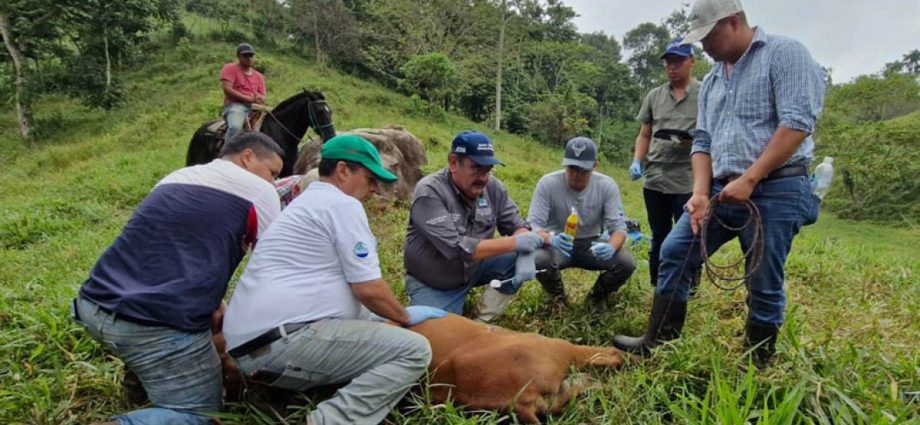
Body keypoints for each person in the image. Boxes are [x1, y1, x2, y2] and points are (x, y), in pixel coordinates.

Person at [613, 0, 824, 365]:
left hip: (776, 187)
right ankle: (659, 340)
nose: (704, 47)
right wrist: (698, 193)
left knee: (762, 274)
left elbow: (797, 123)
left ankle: (757, 360)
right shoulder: (713, 80)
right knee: (676, 251)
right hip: (719, 188)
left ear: (732, 23)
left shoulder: (784, 53)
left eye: (708, 37)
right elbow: (703, 142)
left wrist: (751, 177)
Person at [222, 134, 445, 425]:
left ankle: (275, 395)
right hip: (282, 343)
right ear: (342, 171)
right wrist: (402, 316)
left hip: (251, 345)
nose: (374, 188)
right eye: (369, 178)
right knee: (414, 351)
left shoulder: (305, 205)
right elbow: (368, 288)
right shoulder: (342, 205)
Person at [72, 132, 284, 425]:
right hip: (153, 325)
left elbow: (171, 246)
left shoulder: (177, 177)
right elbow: (275, 267)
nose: (273, 182)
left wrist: (213, 298)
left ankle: (140, 381)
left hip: (93, 305)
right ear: (247, 157)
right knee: (201, 415)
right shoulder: (261, 191)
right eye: (273, 172)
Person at [404, 131, 546, 323]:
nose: (483, 178)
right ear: (453, 163)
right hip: (435, 282)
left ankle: (483, 320)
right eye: (476, 169)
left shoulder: (493, 188)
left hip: (474, 269)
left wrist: (525, 251)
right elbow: (456, 247)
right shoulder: (430, 191)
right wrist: (516, 242)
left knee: (518, 255)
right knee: (437, 336)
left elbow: (517, 225)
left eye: (487, 170)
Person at [528, 137, 637, 309]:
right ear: (564, 164)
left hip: (591, 243)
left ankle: (597, 297)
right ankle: (558, 297)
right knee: (538, 259)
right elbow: (533, 225)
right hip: (557, 244)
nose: (576, 174)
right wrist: (550, 239)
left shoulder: (607, 186)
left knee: (625, 262)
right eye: (572, 168)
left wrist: (612, 247)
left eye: (583, 169)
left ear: (595, 165)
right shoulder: (548, 183)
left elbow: (619, 228)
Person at [630, 37, 703, 292]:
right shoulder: (655, 96)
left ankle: (690, 285)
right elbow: (645, 133)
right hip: (655, 177)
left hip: (687, 178)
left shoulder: (704, 94)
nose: (672, 67)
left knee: (688, 235)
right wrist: (637, 161)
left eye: (678, 61)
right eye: (668, 62)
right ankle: (657, 283)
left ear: (692, 61)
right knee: (659, 234)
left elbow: (713, 134)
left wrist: (692, 143)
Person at [220, 42, 266, 143]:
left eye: (251, 55)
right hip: (235, 106)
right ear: (238, 56)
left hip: (256, 108)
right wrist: (248, 98)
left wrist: (260, 98)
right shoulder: (230, 69)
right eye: (245, 55)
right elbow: (227, 89)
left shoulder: (258, 76)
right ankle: (227, 153)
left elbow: (262, 95)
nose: (249, 58)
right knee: (235, 127)